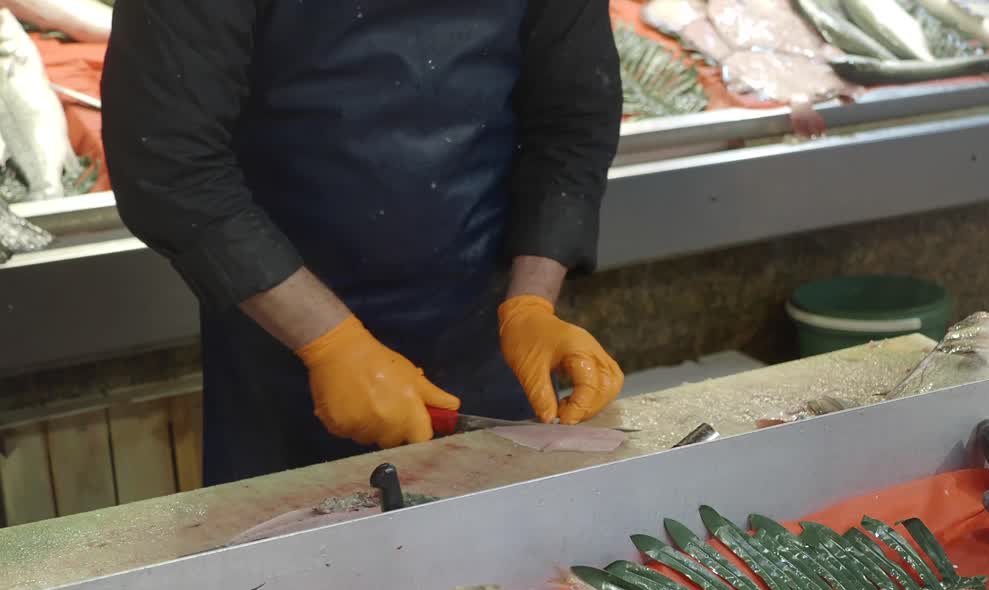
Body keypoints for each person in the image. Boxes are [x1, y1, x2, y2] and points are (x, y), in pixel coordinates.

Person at [101, 0, 625, 486]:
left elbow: (573, 120)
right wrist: (329, 342)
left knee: (502, 570)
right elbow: (168, 160)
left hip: (485, 339)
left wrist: (532, 302)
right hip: (283, 344)